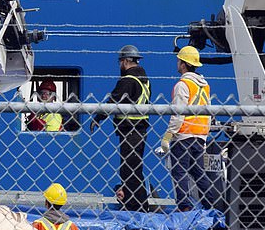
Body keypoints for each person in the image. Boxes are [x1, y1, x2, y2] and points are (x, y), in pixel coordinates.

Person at [90, 45, 151, 212]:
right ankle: (139, 205)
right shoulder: (144, 79)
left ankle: (134, 206)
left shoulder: (128, 80)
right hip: (140, 130)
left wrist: (98, 118)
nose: (120, 66)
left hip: (130, 130)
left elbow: (113, 101)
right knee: (134, 169)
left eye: (120, 62)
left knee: (128, 170)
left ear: (125, 61)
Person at [158, 46, 217, 211]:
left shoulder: (183, 85)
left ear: (184, 64)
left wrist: (168, 136)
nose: (177, 64)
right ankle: (210, 205)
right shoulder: (204, 86)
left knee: (179, 172)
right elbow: (208, 111)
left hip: (183, 136)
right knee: (198, 173)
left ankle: (184, 207)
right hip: (200, 136)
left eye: (179, 60)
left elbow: (178, 113)